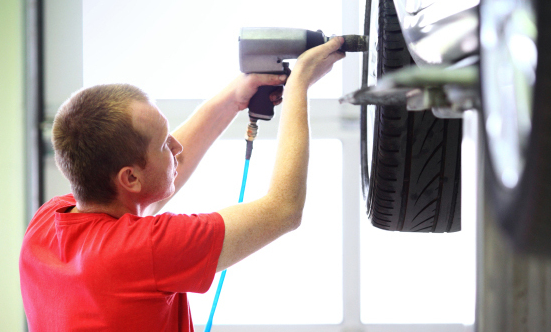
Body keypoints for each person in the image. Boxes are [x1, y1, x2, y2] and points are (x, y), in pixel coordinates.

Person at [19, 37, 345, 331]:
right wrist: (300, 84)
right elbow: (283, 209)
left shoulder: (46, 224)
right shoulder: (142, 252)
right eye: (163, 144)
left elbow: (161, 174)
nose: (176, 147)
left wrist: (233, 98)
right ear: (129, 178)